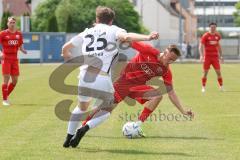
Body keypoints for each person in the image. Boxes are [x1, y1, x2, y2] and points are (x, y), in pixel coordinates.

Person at [61, 6, 159, 148]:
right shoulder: (113, 30)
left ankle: (68, 138)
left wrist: (66, 54)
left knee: (81, 108)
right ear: (111, 20)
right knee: (106, 111)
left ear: (97, 19)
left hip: (84, 75)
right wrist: (148, 37)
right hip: (101, 77)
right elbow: (126, 37)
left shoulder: (87, 32)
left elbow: (66, 47)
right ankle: (84, 129)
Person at [71, 41, 194, 147]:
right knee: (104, 109)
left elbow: (171, 92)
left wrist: (182, 111)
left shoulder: (166, 70)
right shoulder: (149, 51)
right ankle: (82, 128)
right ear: (166, 51)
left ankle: (137, 126)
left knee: (157, 96)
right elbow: (130, 42)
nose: (170, 62)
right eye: (170, 58)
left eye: (173, 60)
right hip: (123, 81)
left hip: (137, 87)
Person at [0, 17, 27, 106]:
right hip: (6, 58)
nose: (12, 24)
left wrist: (23, 50)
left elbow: (20, 44)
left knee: (15, 81)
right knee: (6, 77)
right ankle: (5, 100)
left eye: (14, 22)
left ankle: (5, 94)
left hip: (15, 59)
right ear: (7, 23)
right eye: (11, 22)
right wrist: (0, 53)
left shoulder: (19, 34)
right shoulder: (3, 34)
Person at [199, 22, 224, 93]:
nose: (213, 28)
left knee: (218, 72)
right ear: (209, 28)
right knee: (205, 73)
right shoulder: (205, 35)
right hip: (207, 57)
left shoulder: (218, 36)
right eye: (211, 27)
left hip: (215, 57)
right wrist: (201, 55)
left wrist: (221, 55)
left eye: (214, 27)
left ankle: (221, 86)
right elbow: (200, 46)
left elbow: (218, 46)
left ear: (216, 28)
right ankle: (203, 87)